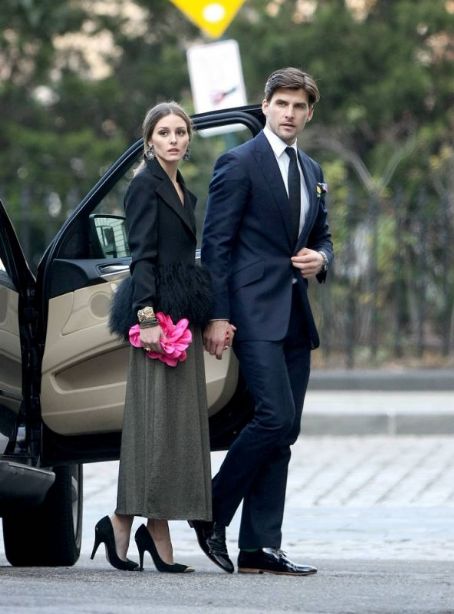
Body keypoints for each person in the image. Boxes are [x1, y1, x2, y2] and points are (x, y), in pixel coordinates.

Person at [192, 67, 333, 575]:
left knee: (285, 429)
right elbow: (217, 246)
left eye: (300, 106)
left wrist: (322, 258)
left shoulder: (313, 170)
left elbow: (324, 236)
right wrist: (218, 315)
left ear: (309, 112)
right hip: (251, 314)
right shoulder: (239, 163)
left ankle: (259, 546)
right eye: (283, 104)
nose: (291, 113)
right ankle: (209, 513)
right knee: (273, 417)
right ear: (266, 105)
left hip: (295, 314)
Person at [91, 102, 212, 573]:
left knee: (173, 429)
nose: (175, 139)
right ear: (150, 140)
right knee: (154, 427)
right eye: (165, 132)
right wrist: (146, 318)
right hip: (157, 317)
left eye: (181, 131)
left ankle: (149, 524)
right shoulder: (144, 186)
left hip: (181, 312)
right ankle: (127, 521)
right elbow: (141, 258)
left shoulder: (181, 187)